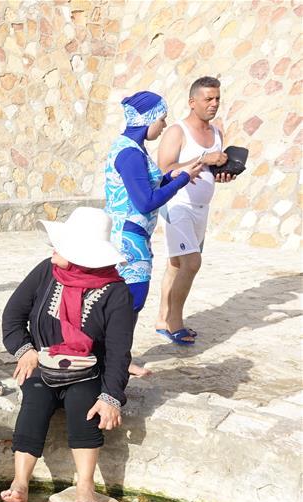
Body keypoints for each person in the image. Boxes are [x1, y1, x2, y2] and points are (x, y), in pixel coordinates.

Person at [0, 207, 134, 502]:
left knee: (83, 407)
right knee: (34, 403)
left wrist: (112, 396)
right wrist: (25, 350)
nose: (52, 254)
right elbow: (13, 317)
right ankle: (21, 481)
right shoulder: (46, 273)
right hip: (42, 363)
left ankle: (85, 483)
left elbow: (118, 350)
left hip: (87, 369)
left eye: (60, 248)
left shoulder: (116, 294)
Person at [103, 91, 204, 376]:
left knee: (125, 303)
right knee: (130, 302)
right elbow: (145, 201)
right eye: (161, 119)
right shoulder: (130, 154)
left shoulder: (131, 148)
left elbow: (147, 182)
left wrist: (172, 176)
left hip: (132, 236)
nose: (163, 125)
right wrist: (182, 179)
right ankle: (117, 363)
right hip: (129, 242)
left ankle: (116, 359)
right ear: (147, 119)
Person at [156, 76, 236, 344]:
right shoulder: (177, 132)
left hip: (202, 208)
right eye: (208, 99)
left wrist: (223, 174)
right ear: (193, 102)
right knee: (192, 262)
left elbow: (211, 170)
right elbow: (165, 169)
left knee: (176, 263)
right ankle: (174, 323)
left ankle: (161, 318)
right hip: (177, 205)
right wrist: (202, 158)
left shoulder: (217, 133)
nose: (214, 104)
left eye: (217, 99)